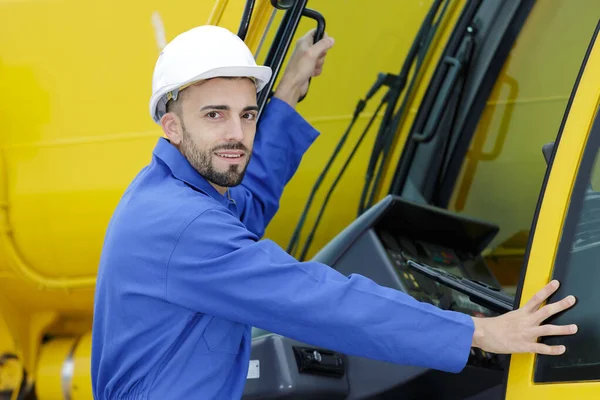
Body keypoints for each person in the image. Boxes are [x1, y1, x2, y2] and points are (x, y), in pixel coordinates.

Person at [90, 25, 578, 399]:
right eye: (214, 114)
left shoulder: (177, 192)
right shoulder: (182, 225)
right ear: (171, 127)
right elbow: (313, 299)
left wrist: (287, 95)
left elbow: (247, 197)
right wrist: (479, 330)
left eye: (247, 114)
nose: (237, 134)